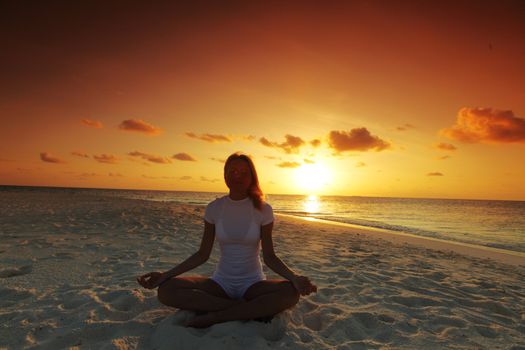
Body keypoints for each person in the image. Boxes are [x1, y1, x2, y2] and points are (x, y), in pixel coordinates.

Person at [137, 152, 317, 328]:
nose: (237, 176)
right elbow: (202, 254)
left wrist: (294, 278)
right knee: (167, 291)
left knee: (291, 293)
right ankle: (243, 310)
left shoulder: (263, 210)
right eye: (232, 171)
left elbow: (269, 256)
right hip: (220, 283)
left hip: (253, 283)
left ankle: (217, 317)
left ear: (251, 177)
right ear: (224, 175)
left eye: (243, 172)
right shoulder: (214, 208)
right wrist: (165, 275)